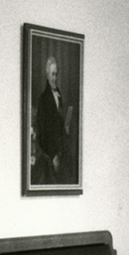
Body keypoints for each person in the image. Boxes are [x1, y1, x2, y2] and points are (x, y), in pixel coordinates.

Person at [33, 54, 76, 186]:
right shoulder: (43, 99)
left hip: (61, 151)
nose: (55, 78)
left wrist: (65, 127)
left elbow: (58, 123)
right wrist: (53, 157)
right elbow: (43, 133)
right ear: (47, 75)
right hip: (50, 156)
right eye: (52, 74)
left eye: (56, 74)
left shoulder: (59, 94)